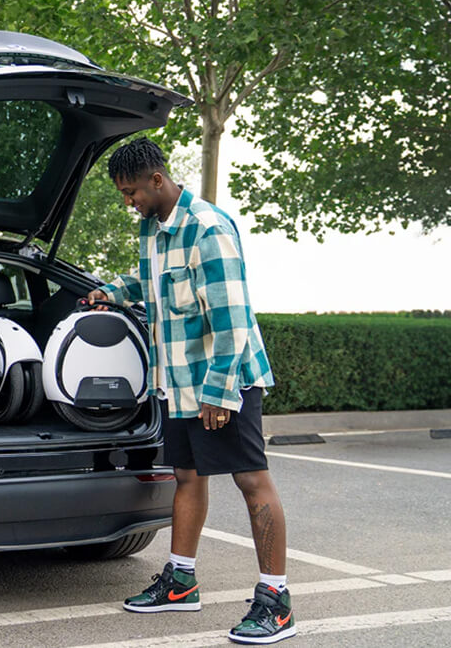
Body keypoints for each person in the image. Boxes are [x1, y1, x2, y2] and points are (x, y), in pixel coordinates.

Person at [87, 138, 294, 645]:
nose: (128, 201)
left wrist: (220, 392)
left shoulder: (208, 228)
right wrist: (108, 293)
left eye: (131, 191)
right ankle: (180, 581)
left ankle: (277, 601)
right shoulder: (151, 230)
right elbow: (148, 282)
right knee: (186, 475)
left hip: (222, 380)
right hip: (177, 381)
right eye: (123, 194)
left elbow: (233, 318)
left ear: (158, 180)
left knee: (251, 481)